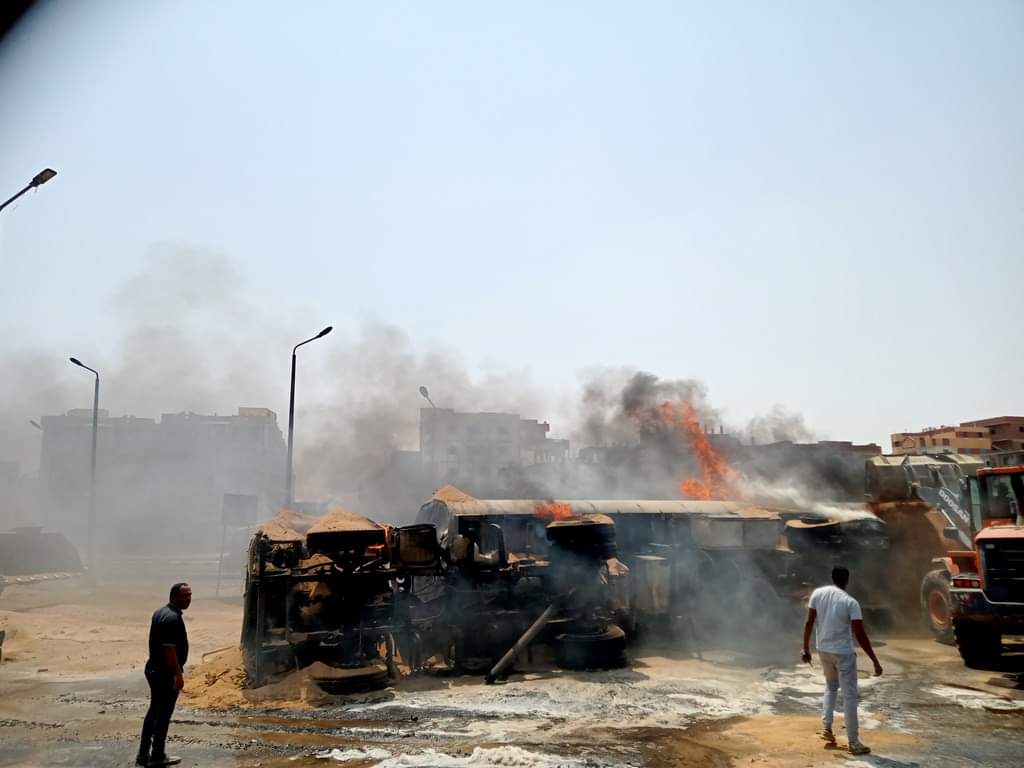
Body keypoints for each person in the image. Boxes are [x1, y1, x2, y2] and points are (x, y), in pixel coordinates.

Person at [801, 566, 882, 756]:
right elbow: (860, 634)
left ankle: (827, 729)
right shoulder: (850, 602)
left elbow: (809, 622)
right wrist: (875, 660)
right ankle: (854, 742)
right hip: (843, 654)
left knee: (831, 686)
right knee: (849, 696)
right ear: (847, 580)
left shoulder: (817, 594)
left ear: (832, 578)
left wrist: (805, 648)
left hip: (823, 650)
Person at [136, 582, 191, 767]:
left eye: (190, 595)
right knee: (163, 714)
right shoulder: (172, 619)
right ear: (173, 596)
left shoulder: (160, 612)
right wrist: (178, 674)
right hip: (164, 673)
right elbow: (169, 650)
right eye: (185, 595)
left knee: (154, 711)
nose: (188, 599)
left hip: (154, 669)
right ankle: (157, 755)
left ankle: (143, 754)